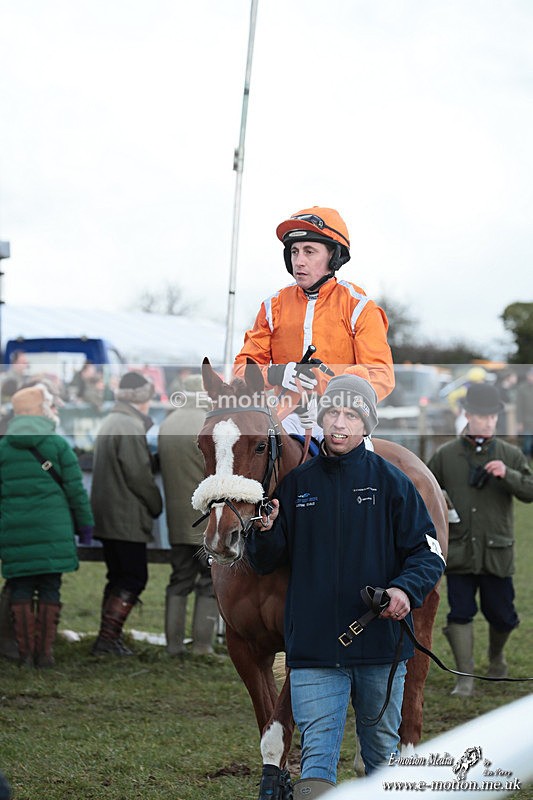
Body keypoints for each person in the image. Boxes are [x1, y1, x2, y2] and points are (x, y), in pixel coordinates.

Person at [245, 370, 445, 793]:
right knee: (316, 761)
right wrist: (264, 533)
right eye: (332, 412)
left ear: (365, 424)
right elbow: (266, 563)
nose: (339, 423)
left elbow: (428, 553)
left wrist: (404, 589)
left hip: (380, 648)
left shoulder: (393, 483)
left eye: (351, 415)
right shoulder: (296, 486)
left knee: (380, 755)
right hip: (314, 651)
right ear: (321, 418)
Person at [233, 206, 394, 433]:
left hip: (342, 419)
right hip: (286, 416)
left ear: (334, 257)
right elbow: (241, 371)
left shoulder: (359, 307)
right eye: (294, 252)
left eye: (309, 252)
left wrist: (326, 384)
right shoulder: (272, 306)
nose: (299, 261)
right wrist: (277, 373)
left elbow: (381, 377)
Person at [427, 382, 533, 697]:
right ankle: (465, 677)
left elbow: (529, 491)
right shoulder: (445, 455)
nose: (488, 422)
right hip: (459, 552)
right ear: (468, 414)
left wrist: (508, 474)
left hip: (496, 552)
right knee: (459, 613)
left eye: (493, 417)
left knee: (503, 616)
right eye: (482, 416)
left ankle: (496, 657)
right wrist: (441, 500)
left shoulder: (510, 454)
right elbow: (425, 491)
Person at [0, 384, 94, 668]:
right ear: (39, 411)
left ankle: (24, 654)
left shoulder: (3, 447)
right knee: (50, 588)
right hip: (54, 530)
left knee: (20, 588)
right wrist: (85, 525)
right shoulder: (58, 444)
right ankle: (45, 654)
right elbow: (76, 491)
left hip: (14, 531)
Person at [90, 371, 163, 656]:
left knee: (118, 576)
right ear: (141, 398)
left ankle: (107, 637)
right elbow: (137, 474)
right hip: (125, 515)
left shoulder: (111, 420)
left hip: (109, 513)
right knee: (134, 577)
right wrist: (156, 503)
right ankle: (107, 640)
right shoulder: (129, 425)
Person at [158, 374, 218, 656]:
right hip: (207, 518)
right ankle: (203, 645)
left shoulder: (167, 423)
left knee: (179, 580)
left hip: (176, 518)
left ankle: (173, 645)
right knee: (210, 581)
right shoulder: (211, 424)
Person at [515, 367, 533, 459]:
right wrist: (519, 422)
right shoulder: (522, 388)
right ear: (528, 376)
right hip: (527, 421)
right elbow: (519, 407)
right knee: (527, 443)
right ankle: (525, 459)